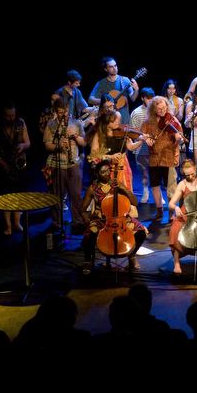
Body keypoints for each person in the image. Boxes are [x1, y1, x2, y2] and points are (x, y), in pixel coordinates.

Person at [80, 161, 148, 274]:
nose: (106, 174)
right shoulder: (93, 188)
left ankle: (131, 256)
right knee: (89, 235)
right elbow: (82, 209)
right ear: (97, 174)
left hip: (120, 219)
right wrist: (86, 219)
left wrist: (124, 188)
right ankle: (88, 261)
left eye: (108, 171)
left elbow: (135, 202)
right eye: (103, 172)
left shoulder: (117, 184)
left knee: (141, 232)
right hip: (101, 220)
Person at [43, 98, 86, 232]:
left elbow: (84, 143)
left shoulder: (77, 123)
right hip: (58, 165)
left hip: (74, 164)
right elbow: (46, 145)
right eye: (61, 112)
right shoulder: (51, 124)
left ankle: (77, 222)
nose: (64, 114)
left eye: (66, 111)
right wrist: (58, 146)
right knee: (57, 196)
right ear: (56, 111)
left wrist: (75, 137)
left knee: (76, 195)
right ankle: (57, 223)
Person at [140, 95, 182, 223]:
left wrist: (178, 137)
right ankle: (159, 210)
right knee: (155, 185)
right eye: (159, 109)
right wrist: (146, 139)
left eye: (164, 108)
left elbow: (178, 134)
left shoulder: (172, 120)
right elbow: (142, 135)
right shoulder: (148, 122)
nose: (163, 111)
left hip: (169, 157)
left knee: (171, 187)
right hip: (154, 158)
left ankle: (171, 212)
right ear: (154, 109)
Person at [0, 103, 31, 235]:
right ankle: (8, 226)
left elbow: (28, 143)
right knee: (6, 196)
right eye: (8, 116)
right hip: (4, 165)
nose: (11, 118)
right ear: (3, 116)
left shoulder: (20, 123)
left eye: (13, 115)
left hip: (18, 164)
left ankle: (17, 223)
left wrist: (22, 146)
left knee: (18, 195)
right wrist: (2, 163)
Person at [89, 56, 140, 125]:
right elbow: (90, 99)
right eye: (111, 67)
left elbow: (133, 98)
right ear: (105, 69)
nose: (115, 68)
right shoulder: (101, 83)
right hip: (107, 121)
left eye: (115, 66)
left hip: (123, 119)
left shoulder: (125, 80)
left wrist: (136, 90)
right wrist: (106, 101)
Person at [130, 87, 155, 204]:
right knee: (144, 171)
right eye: (148, 98)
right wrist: (142, 138)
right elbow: (133, 132)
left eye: (152, 98)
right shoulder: (136, 112)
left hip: (155, 147)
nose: (150, 101)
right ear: (142, 98)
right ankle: (145, 190)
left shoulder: (157, 110)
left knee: (155, 171)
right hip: (141, 147)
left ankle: (157, 193)